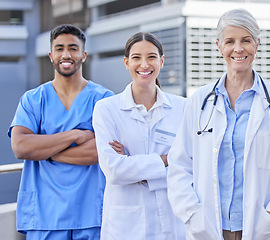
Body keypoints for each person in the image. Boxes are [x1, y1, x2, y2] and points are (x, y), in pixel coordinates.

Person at [166, 8, 270, 240]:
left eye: (246, 40)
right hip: (209, 227)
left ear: (257, 43)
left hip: (260, 227)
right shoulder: (199, 102)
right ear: (219, 46)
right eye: (230, 41)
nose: (238, 48)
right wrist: (193, 215)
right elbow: (179, 166)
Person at [8, 24, 113, 240]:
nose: (66, 54)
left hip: (91, 216)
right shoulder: (33, 99)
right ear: (50, 55)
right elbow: (21, 147)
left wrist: (45, 151)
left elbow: (102, 151)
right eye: (59, 48)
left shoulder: (103, 99)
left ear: (83, 55)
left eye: (73, 48)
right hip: (45, 216)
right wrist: (74, 136)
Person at [92, 32, 186, 240]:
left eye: (151, 57)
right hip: (125, 225)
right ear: (126, 62)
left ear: (161, 61)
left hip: (172, 220)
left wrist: (132, 164)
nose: (144, 64)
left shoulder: (183, 107)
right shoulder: (107, 109)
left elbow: (190, 165)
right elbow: (114, 171)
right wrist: (165, 160)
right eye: (136, 57)